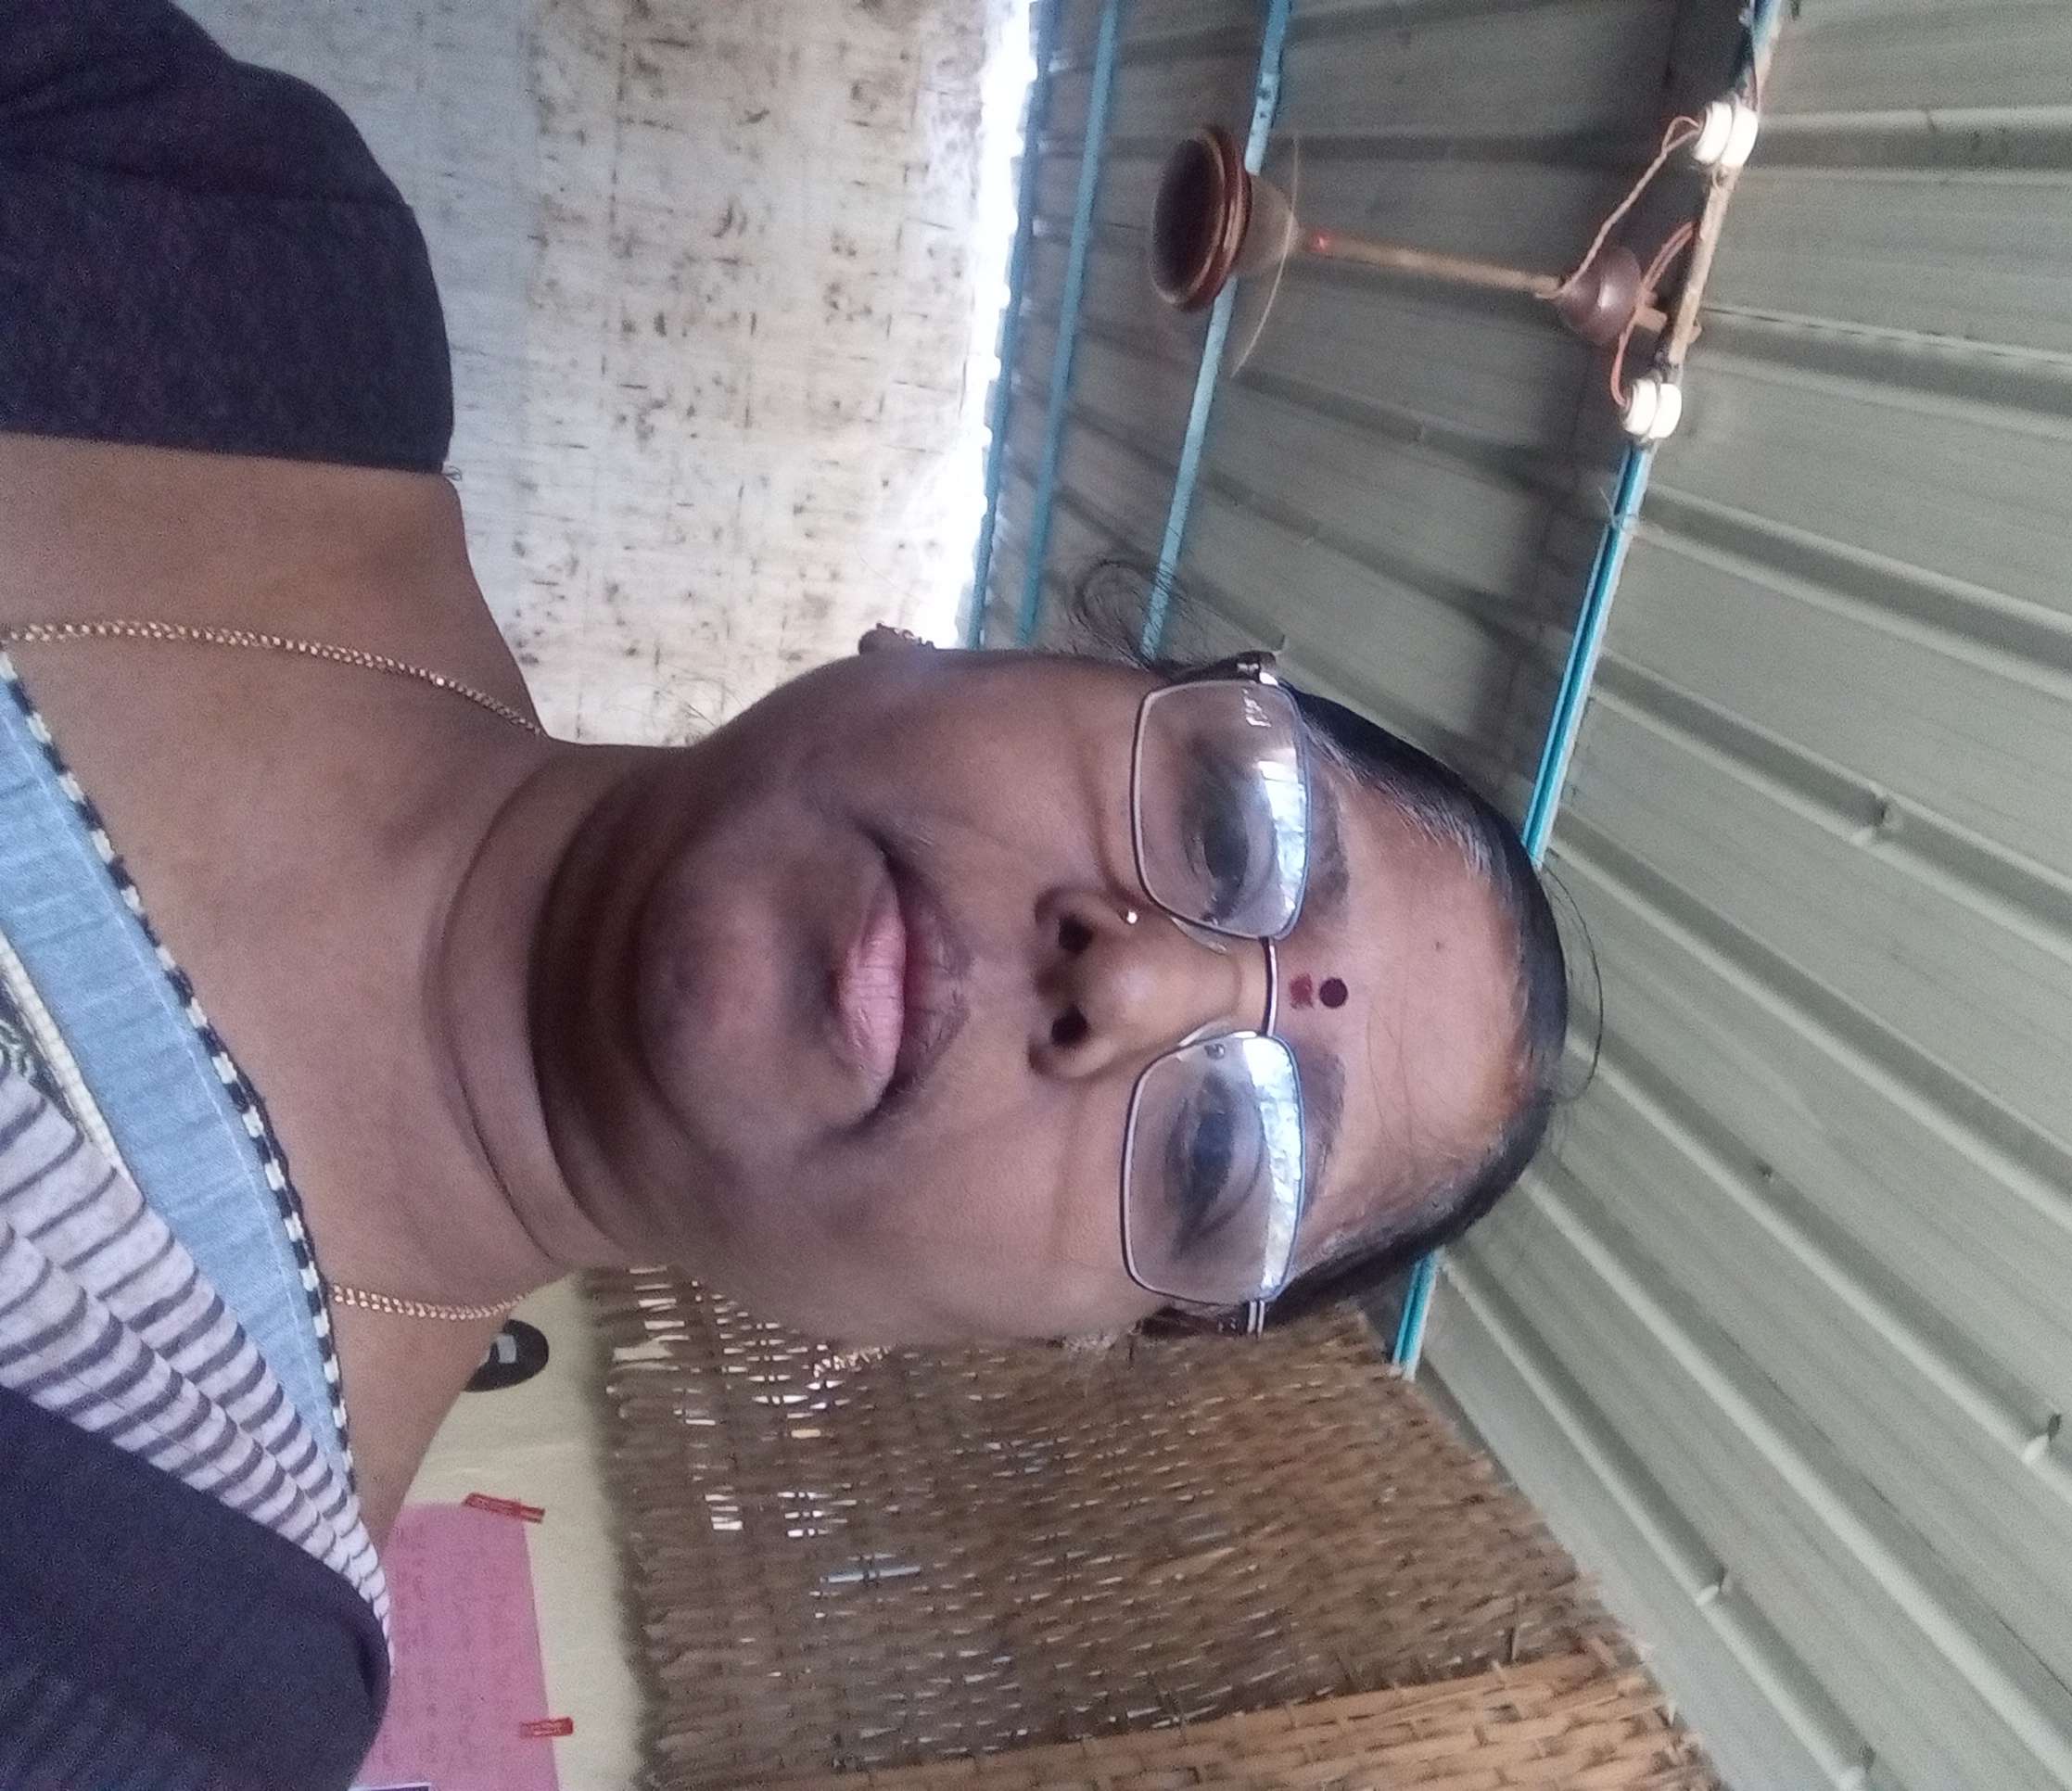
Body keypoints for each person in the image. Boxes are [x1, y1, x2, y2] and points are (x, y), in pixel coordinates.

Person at [0, 3, 1570, 1786]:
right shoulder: (257, 268)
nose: (1133, 986)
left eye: (1216, 1164)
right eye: (1227, 827)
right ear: (981, 654)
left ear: (1018, 1337)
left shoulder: (161, 1700)